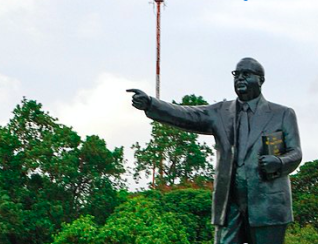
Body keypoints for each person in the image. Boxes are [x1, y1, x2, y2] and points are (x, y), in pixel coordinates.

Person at [127, 57, 302, 244]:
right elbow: (187, 114)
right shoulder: (220, 112)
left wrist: (280, 162)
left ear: (261, 80)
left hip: (268, 205)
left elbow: (296, 153)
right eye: (236, 74)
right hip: (229, 205)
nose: (240, 78)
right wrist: (151, 104)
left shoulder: (282, 114)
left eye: (246, 74)